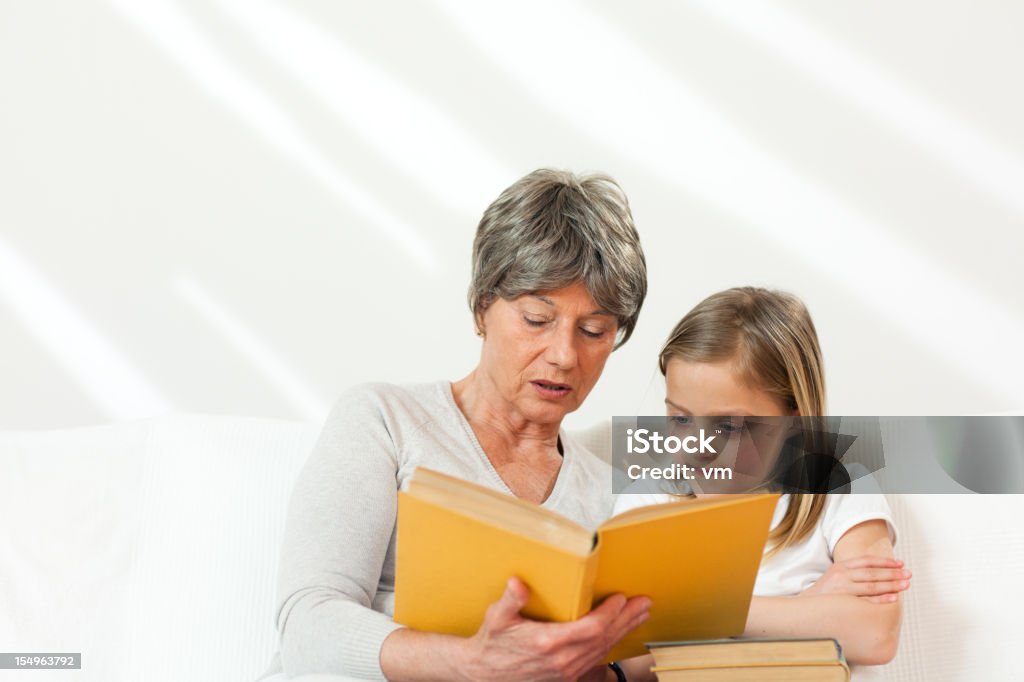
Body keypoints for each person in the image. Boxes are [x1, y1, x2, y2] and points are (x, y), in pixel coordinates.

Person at [259, 169, 650, 681]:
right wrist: (471, 664)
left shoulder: (610, 474)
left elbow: (772, 448)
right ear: (482, 308)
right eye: (537, 319)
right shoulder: (385, 419)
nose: (564, 355)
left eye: (594, 331)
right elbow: (306, 625)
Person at [612, 287, 910, 681]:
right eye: (681, 419)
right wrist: (807, 608)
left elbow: (875, 634)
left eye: (729, 426)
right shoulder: (649, 500)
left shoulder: (835, 489)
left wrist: (688, 613)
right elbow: (629, 663)